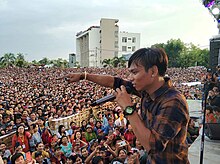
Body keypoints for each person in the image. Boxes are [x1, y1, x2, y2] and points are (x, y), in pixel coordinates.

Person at [62, 47, 190, 163]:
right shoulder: (146, 91)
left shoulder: (173, 102)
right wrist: (84, 76)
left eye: (135, 72)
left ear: (153, 71)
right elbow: (115, 82)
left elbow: (152, 146)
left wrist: (128, 109)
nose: (131, 78)